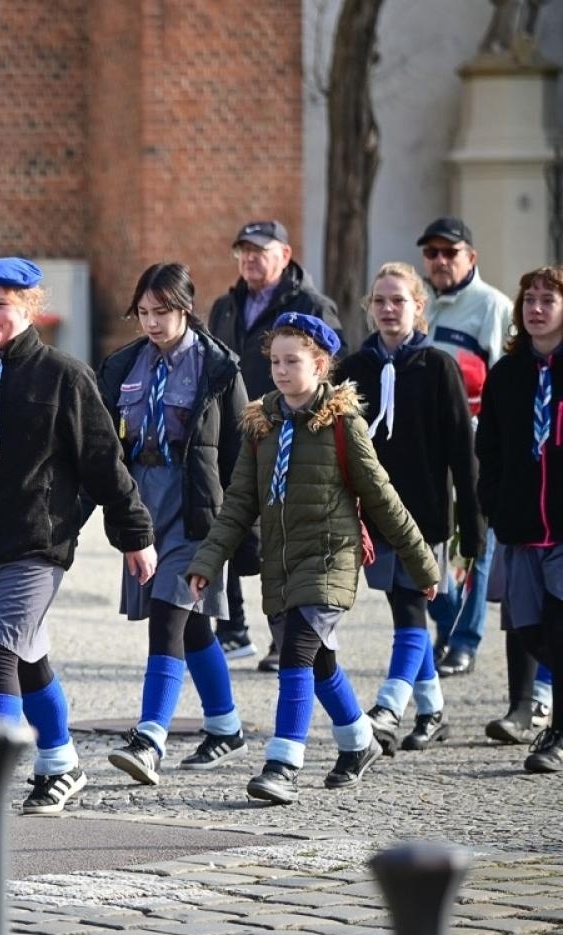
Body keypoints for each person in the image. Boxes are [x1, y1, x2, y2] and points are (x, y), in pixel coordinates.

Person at [0, 258, 156, 822]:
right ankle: (61, 763)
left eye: (0, 304)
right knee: (27, 660)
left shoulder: (65, 375)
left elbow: (102, 461)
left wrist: (135, 534)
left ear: (29, 307)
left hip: (38, 542)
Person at [187, 313, 438, 804]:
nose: (281, 371)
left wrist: (422, 564)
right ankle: (359, 741)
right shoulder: (261, 425)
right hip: (282, 563)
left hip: (330, 558)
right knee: (320, 661)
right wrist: (207, 561)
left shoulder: (343, 424)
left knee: (297, 652)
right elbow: (239, 501)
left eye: (293, 361)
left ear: (321, 365)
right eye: (275, 361)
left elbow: (383, 498)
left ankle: (283, 764)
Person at [97, 264, 249, 783]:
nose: (152, 323)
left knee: (168, 616)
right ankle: (226, 726)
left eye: (162, 312)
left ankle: (150, 738)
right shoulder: (121, 366)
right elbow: (102, 448)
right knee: (194, 623)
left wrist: (240, 528)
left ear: (185, 308)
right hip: (142, 509)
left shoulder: (219, 368)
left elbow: (238, 455)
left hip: (196, 513)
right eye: (143, 313)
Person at [332, 264, 481, 756]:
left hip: (425, 513)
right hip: (377, 515)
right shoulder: (354, 369)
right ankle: (433, 710)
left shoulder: (437, 366)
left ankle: (389, 706)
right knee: (403, 609)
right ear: (369, 308)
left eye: (399, 300)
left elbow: (462, 449)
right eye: (380, 301)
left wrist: (470, 523)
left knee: (412, 606)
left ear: (419, 307)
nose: (389, 309)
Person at [208, 220, 344, 672]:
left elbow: (333, 379)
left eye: (259, 250)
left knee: (282, 534)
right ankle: (232, 629)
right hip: (235, 435)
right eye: (242, 250)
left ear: (284, 255)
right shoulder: (226, 308)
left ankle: (285, 636)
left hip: (293, 436)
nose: (249, 258)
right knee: (222, 518)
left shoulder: (310, 306)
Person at [418, 217, 516, 680]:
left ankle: (464, 639)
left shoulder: (493, 306)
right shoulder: (420, 305)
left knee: (476, 542)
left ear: (470, 258)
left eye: (449, 253)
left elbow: (506, 380)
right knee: (426, 543)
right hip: (426, 447)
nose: (439, 261)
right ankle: (447, 620)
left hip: (475, 443)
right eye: (432, 253)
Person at [476, 265, 563, 773]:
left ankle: (556, 736)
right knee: (530, 630)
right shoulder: (507, 374)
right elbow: (488, 447)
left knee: (559, 625)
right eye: (529, 299)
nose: (535, 308)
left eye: (547, 300)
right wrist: (494, 502)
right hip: (521, 525)